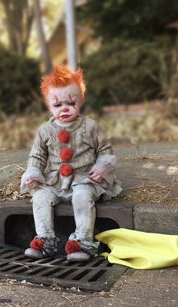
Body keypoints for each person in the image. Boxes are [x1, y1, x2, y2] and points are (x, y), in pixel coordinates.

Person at [20, 65, 122, 262]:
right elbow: (37, 157)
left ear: (80, 100)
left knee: (83, 197)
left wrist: (102, 167)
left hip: (85, 178)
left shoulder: (90, 127)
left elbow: (105, 151)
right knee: (40, 197)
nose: (64, 109)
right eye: (57, 105)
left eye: (71, 103)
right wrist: (33, 173)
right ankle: (45, 240)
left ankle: (83, 243)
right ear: (48, 105)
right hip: (55, 181)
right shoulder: (44, 131)